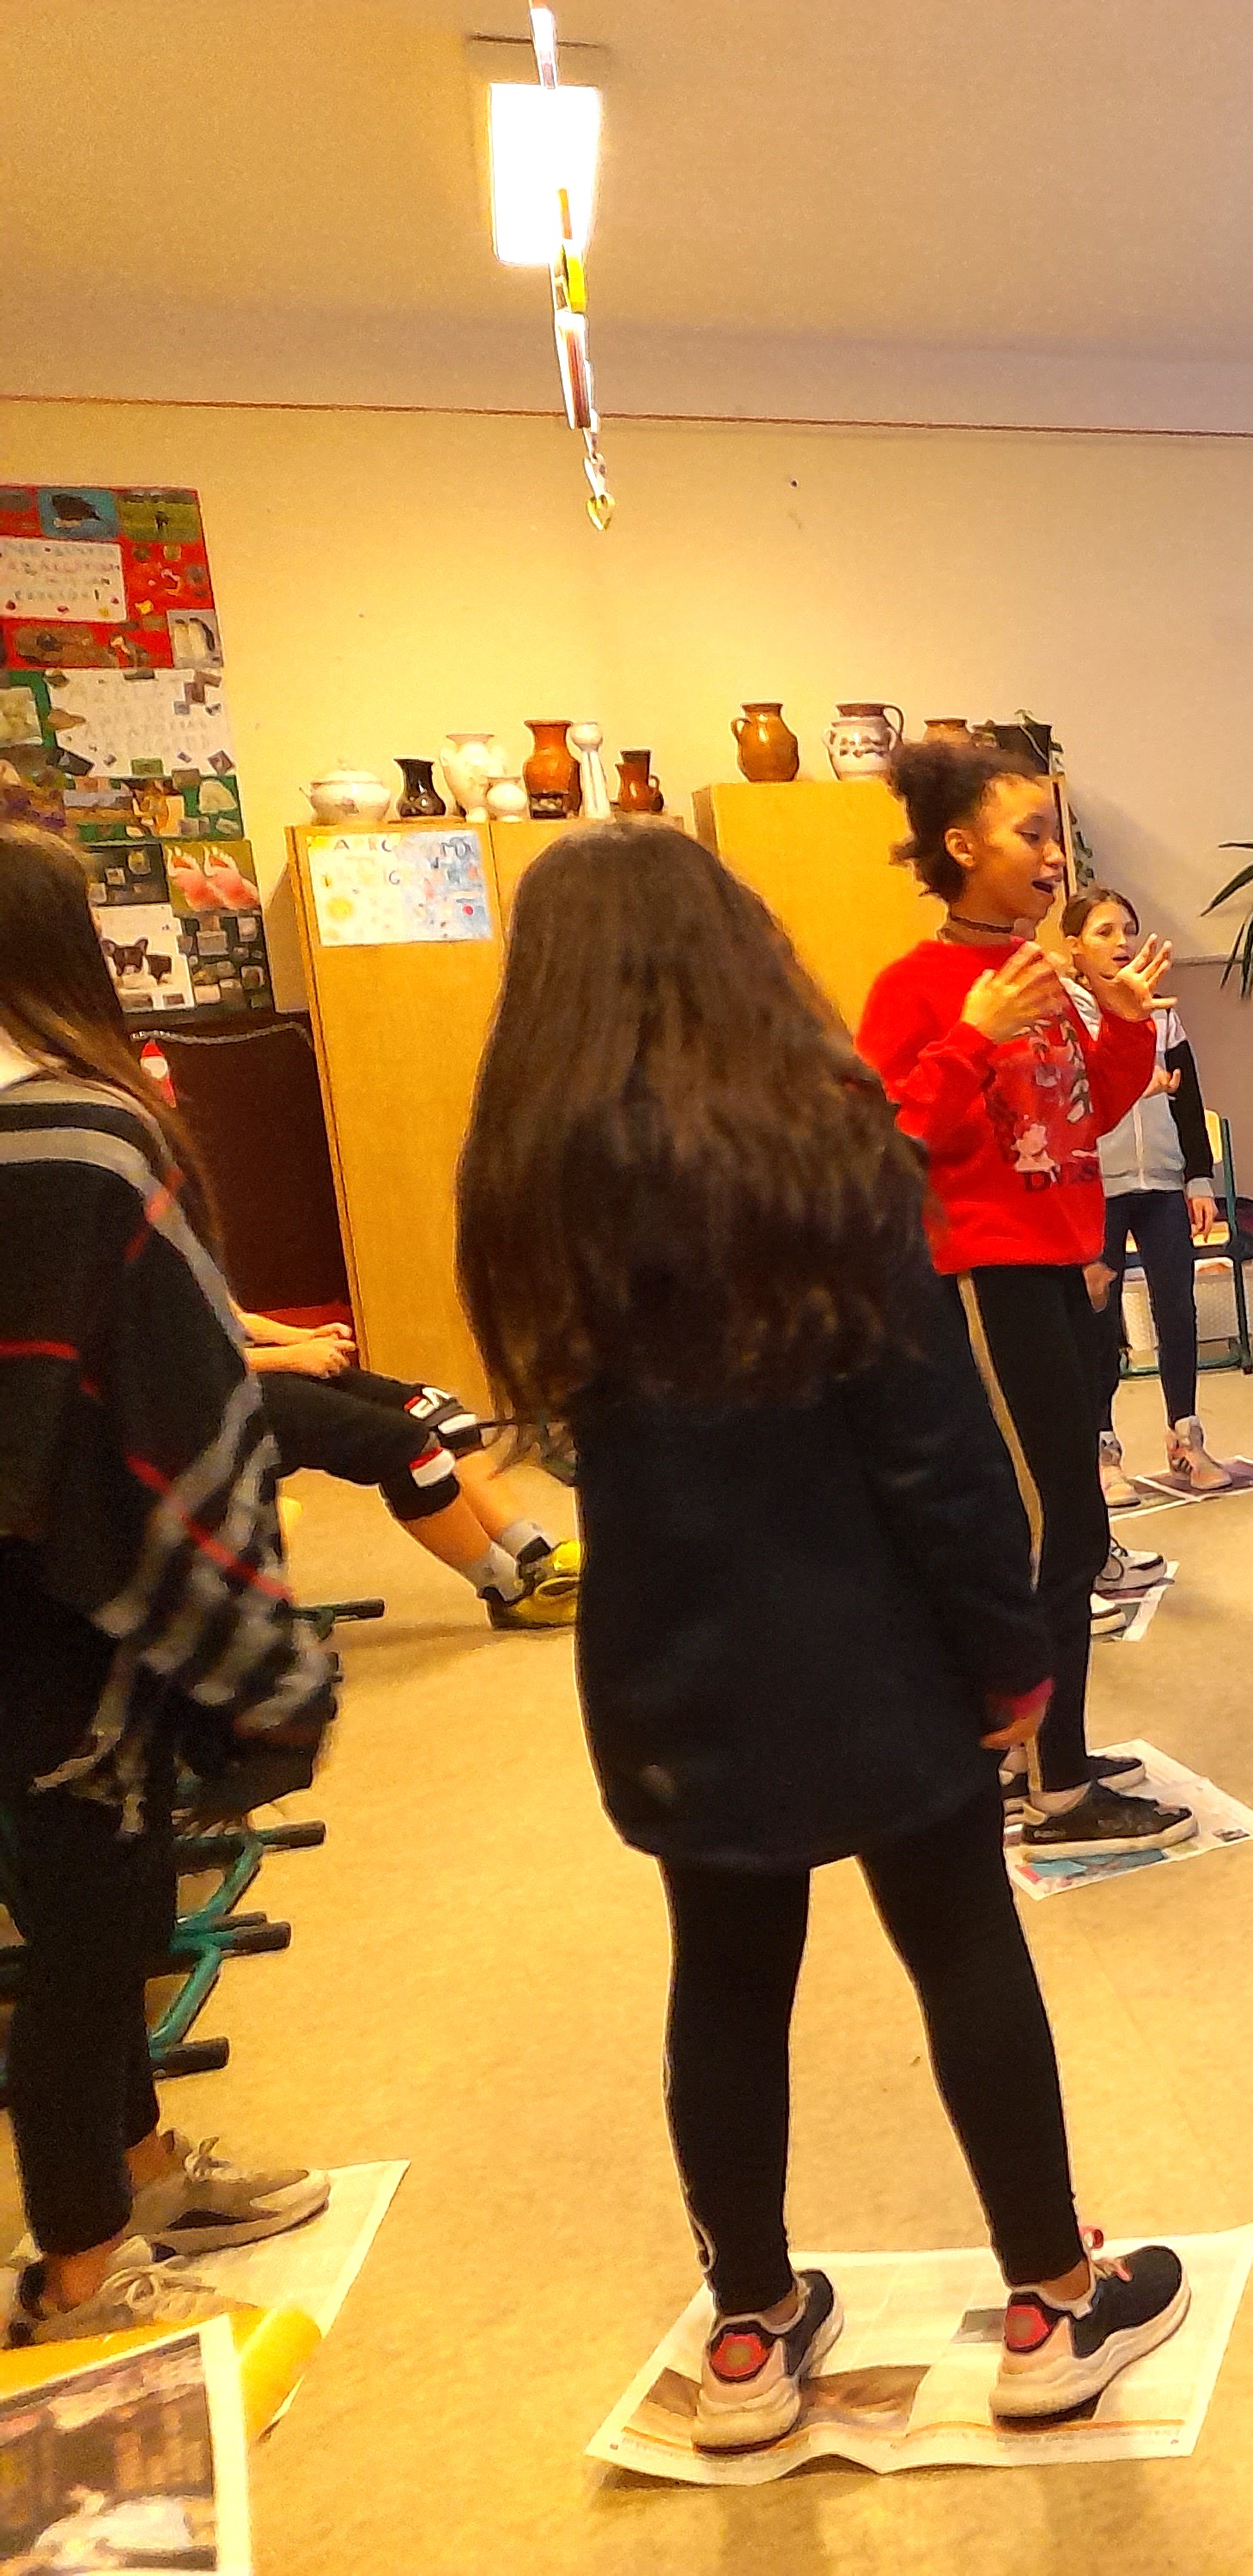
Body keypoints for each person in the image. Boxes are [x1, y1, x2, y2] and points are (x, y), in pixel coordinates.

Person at [460, 821, 1192, 2451]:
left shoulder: (529, 1178)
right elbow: (931, 1444)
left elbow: (571, 1436)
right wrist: (1009, 1655)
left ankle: (748, 2331)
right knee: (963, 1943)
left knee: (724, 1977)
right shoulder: (826, 1147)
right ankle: (1053, 2303)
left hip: (668, 1658)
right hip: (871, 1647)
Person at [0, 823, 336, 2346]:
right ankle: (79, 2271)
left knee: (80, 1906)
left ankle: (139, 2172)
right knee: (92, 1934)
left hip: (35, 1583)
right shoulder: (88, 1135)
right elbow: (180, 1393)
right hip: (76, 1598)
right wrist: (253, 1651)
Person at [853, 740, 1189, 1857]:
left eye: (1057, 834)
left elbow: (1084, 1114)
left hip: (1062, 1264)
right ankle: (1053, 1791)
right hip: (986, 1276)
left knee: (1062, 1516)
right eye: (1030, 834)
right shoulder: (916, 987)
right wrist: (974, 1036)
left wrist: (1124, 1019)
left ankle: (1032, 1753)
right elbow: (883, 1142)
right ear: (961, 847)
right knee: (1056, 1527)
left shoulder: (1041, 974)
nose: (1054, 856)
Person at [240, 1316, 584, 1628]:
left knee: (443, 1417)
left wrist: (298, 1336)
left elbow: (225, 1311)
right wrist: (287, 1357)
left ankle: (537, 1552)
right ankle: (508, 1590)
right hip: (222, 1399)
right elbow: (203, 1365)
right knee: (409, 1448)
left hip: (249, 1367)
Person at [1061, 890, 1232, 1498]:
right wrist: (1136, 1082)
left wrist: (1198, 1177)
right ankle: (1103, 1450)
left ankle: (1186, 1437)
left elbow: (1189, 1098)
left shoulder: (1159, 1011)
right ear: (1074, 946)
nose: (1122, 943)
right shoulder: (1064, 1011)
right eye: (1105, 931)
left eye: (1128, 930)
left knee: (1177, 1310)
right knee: (1099, 1320)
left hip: (1160, 1181)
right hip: (1096, 1187)